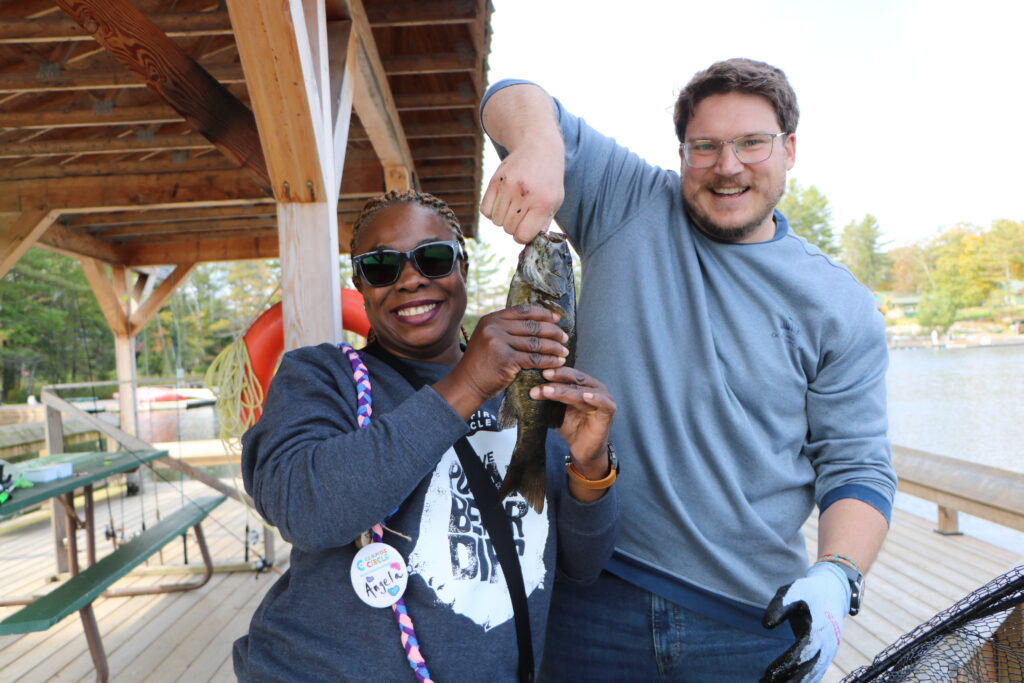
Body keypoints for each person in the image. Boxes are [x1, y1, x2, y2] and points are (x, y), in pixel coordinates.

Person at [479, 58, 897, 682]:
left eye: (751, 143)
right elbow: (509, 96)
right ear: (681, 154)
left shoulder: (840, 304)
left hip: (750, 620)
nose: (728, 166)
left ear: (789, 149)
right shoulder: (628, 201)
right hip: (587, 597)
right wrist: (539, 143)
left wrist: (837, 574)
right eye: (705, 146)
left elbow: (858, 466)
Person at [232, 189, 619, 681]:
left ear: (463, 266)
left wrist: (590, 470)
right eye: (381, 267)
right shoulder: (320, 376)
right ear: (360, 283)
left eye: (433, 259)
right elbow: (305, 510)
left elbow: (579, 568)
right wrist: (467, 383)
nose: (410, 279)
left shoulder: (533, 389)